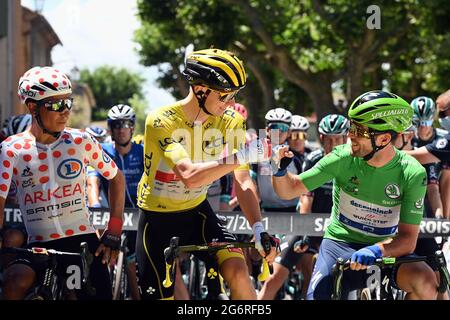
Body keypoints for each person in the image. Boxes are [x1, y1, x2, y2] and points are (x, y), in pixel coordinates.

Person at [135, 48, 279, 300]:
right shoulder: (160, 121)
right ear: (201, 90)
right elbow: (189, 176)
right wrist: (244, 155)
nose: (231, 103)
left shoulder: (231, 120)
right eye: (226, 96)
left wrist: (258, 228)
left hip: (197, 213)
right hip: (156, 219)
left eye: (235, 95)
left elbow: (242, 180)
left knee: (238, 271)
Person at [272, 90, 438, 300]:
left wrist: (376, 251)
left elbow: (407, 240)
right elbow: (289, 189)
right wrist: (279, 171)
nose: (350, 135)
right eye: (352, 127)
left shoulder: (412, 173)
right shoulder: (343, 157)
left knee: (426, 280)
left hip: (384, 248)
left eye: (359, 130)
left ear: (384, 138)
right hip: (339, 245)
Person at [0, 66, 126, 300]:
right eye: (56, 105)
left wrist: (114, 230)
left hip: (81, 242)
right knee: (14, 282)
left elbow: (116, 178)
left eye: (68, 103)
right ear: (32, 107)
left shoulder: (81, 141)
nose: (65, 111)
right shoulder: (11, 149)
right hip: (37, 245)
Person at [258, 114, 348, 300]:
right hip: (310, 225)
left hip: (339, 229)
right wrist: (306, 232)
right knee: (274, 277)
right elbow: (306, 198)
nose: (332, 144)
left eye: (337, 139)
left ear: (345, 138)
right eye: (328, 139)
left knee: (313, 273)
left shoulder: (353, 162)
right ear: (321, 138)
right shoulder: (313, 159)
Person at [87, 104, 143, 300]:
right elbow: (92, 181)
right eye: (116, 124)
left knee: (134, 263)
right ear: (110, 128)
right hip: (110, 212)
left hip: (139, 213)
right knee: (96, 252)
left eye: (126, 124)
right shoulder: (101, 151)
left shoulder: (142, 151)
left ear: (133, 127)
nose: (121, 129)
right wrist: (94, 207)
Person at [410, 96, 444, 219]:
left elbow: (439, 186)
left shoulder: (443, 138)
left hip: (437, 190)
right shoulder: (407, 137)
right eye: (418, 123)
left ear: (433, 119)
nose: (423, 127)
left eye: (426, 122)